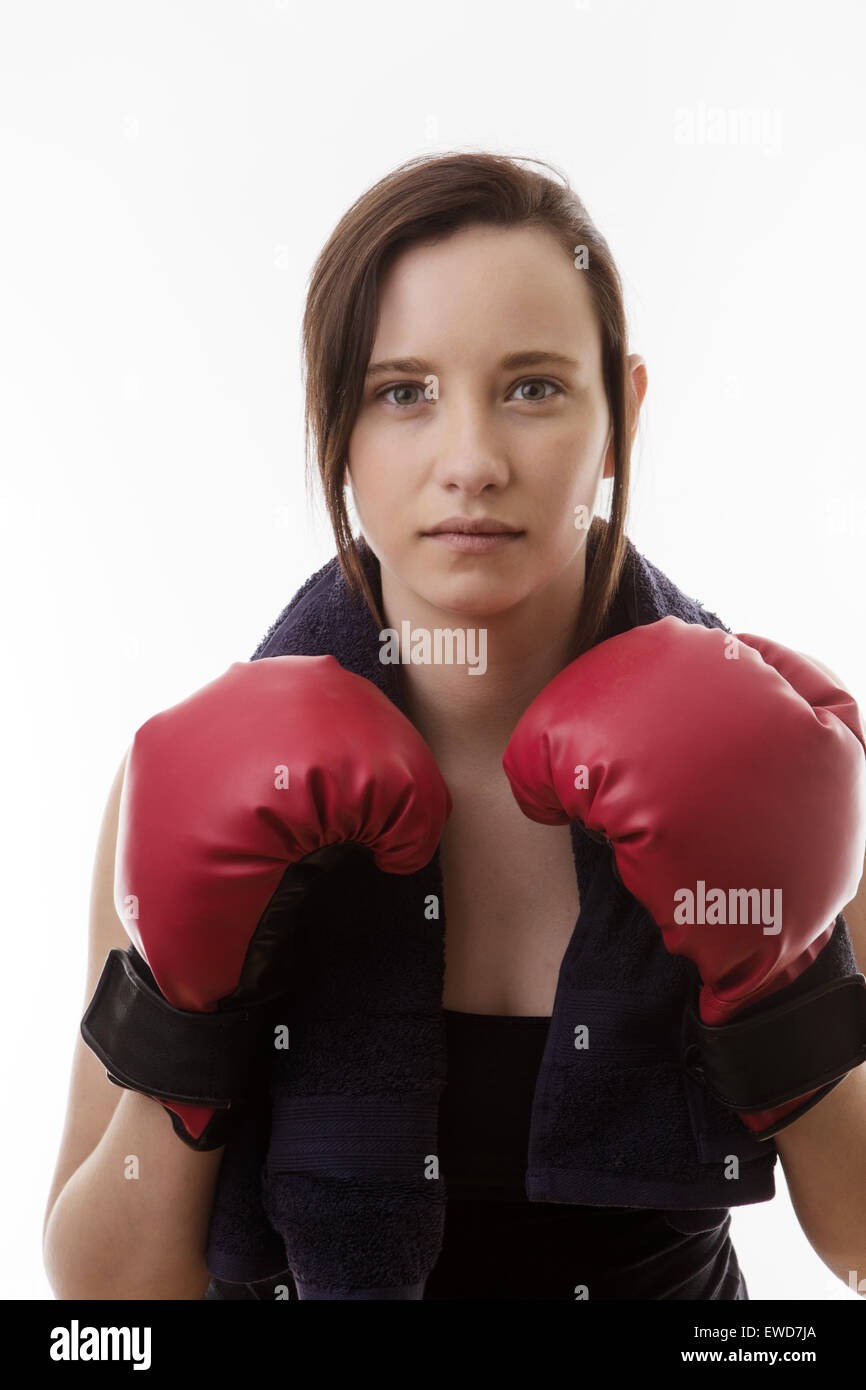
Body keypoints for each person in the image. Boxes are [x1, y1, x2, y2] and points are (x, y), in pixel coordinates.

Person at [43, 152, 866, 1301]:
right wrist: (186, 1030)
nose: (470, 462)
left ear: (620, 412)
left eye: (532, 387)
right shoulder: (182, 776)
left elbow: (856, 1243)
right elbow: (107, 1298)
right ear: (336, 425)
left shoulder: (773, 761)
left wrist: (775, 987)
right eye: (402, 391)